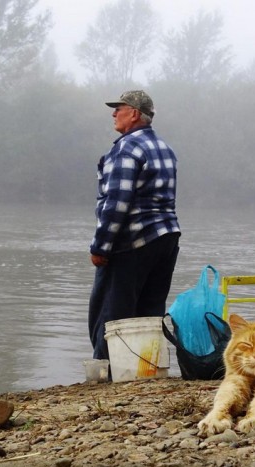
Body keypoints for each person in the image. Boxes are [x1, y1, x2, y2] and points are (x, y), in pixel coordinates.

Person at [88, 90, 181, 361]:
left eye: (120, 108)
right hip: (166, 238)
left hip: (133, 241)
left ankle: (107, 370)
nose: (114, 113)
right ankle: (147, 367)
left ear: (136, 114)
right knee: (150, 311)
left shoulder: (127, 148)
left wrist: (101, 247)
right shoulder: (165, 148)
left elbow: (117, 202)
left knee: (110, 315)